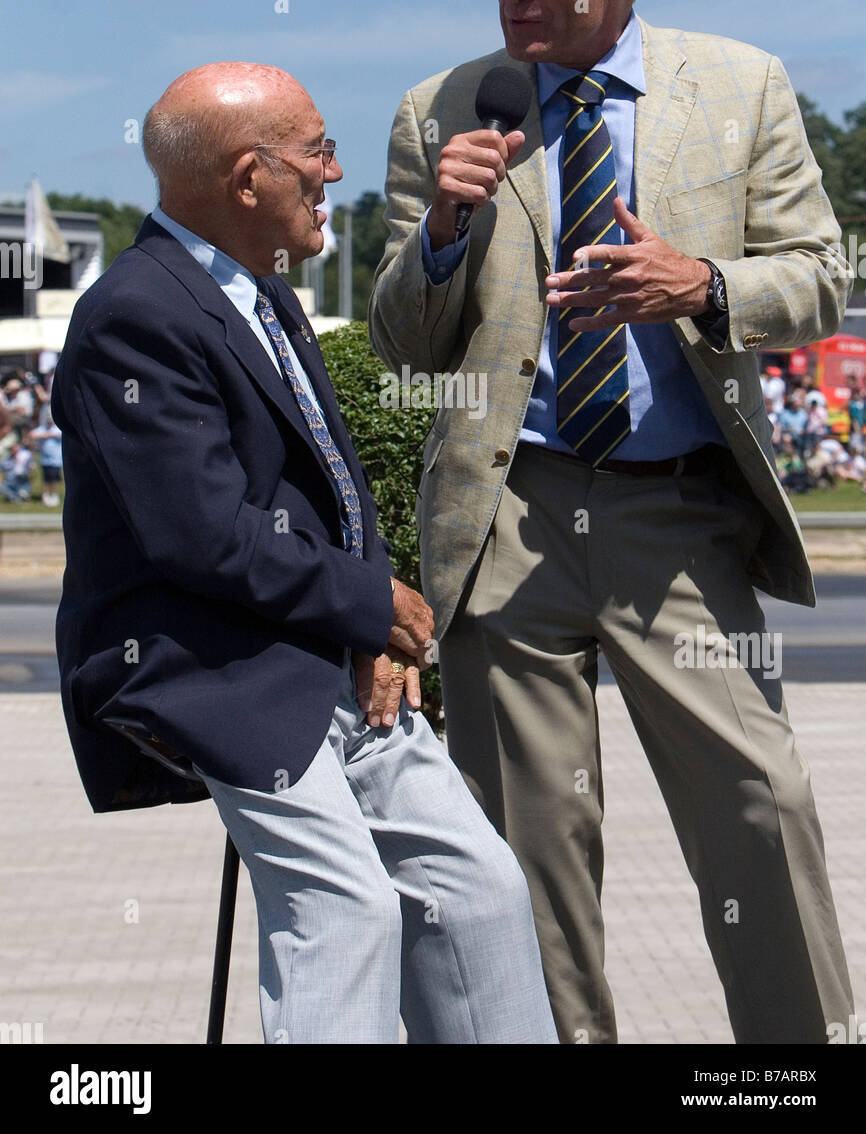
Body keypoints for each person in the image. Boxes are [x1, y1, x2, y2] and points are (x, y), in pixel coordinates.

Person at [368, 0, 855, 1044]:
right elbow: (401, 347)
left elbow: (819, 279)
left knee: (759, 801)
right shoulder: (441, 111)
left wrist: (698, 283)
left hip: (677, 515)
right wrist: (439, 227)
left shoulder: (736, 86)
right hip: (508, 518)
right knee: (528, 848)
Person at [51, 61, 556, 1046]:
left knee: (482, 892)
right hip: (209, 662)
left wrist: (369, 625)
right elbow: (201, 537)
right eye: (317, 151)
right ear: (249, 180)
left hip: (317, 645)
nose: (334, 172)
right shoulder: (134, 315)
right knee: (345, 910)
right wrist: (367, 606)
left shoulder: (265, 296)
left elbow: (335, 484)